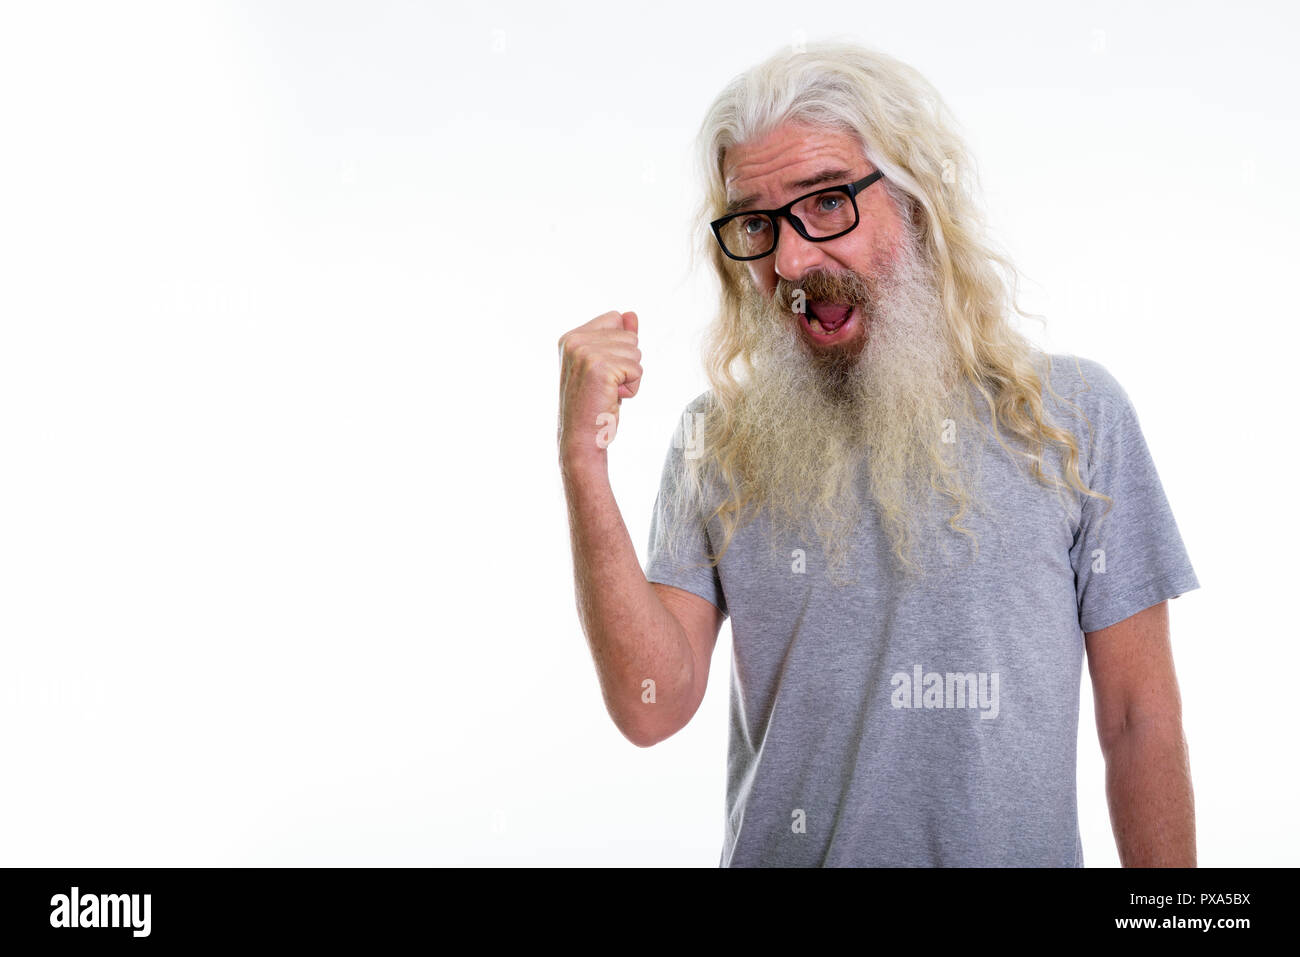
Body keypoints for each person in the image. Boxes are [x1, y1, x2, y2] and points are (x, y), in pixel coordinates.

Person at [555, 41, 1200, 867]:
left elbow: (1138, 715)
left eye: (826, 204)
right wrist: (584, 461)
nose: (790, 261)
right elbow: (652, 705)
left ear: (917, 201)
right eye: (756, 222)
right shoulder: (715, 441)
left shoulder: (1074, 418)